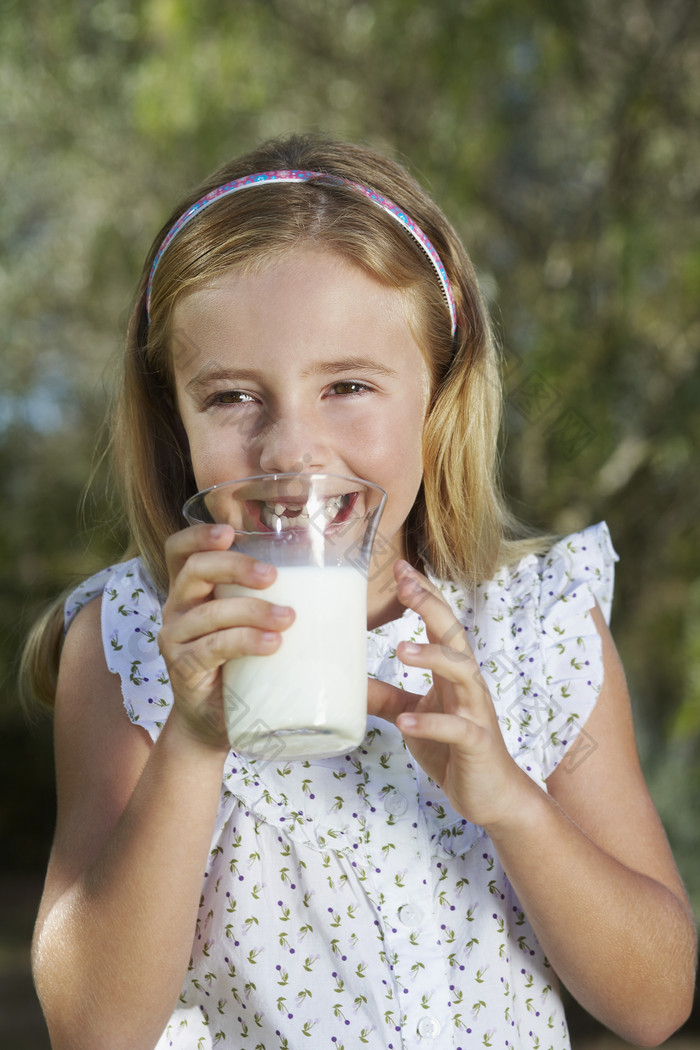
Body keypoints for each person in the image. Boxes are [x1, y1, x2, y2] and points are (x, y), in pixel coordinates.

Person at [25, 133, 696, 1050]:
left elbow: (656, 1003)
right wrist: (191, 742)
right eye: (230, 397)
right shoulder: (134, 643)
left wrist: (510, 802)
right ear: (175, 418)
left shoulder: (537, 626)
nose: (290, 450)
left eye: (347, 384)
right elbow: (89, 1028)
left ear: (439, 393)